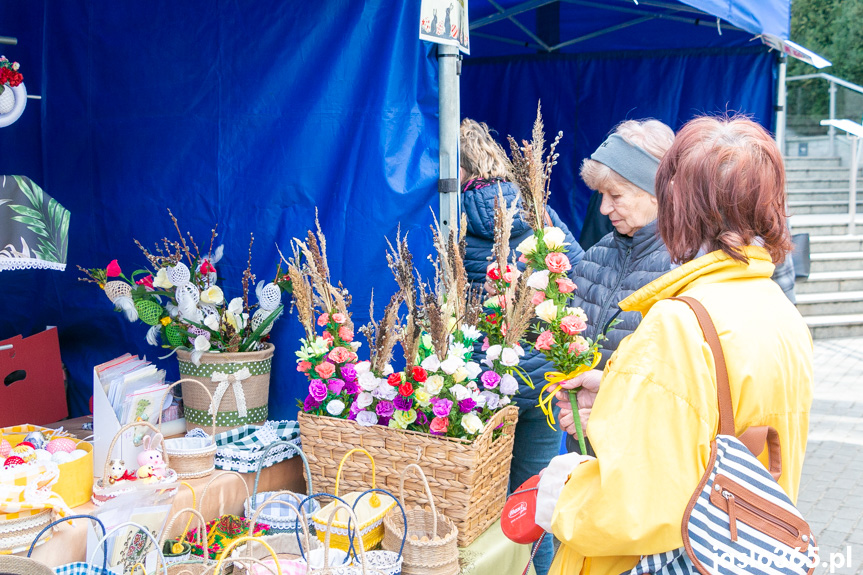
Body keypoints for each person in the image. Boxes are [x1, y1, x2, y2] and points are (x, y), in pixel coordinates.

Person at [539, 116, 814, 575]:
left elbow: (634, 506)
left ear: (677, 202)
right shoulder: (779, 310)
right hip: (744, 542)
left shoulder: (680, 321)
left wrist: (559, 497)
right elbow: (713, 430)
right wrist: (616, 400)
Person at [460, 118, 583, 575]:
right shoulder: (538, 211)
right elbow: (582, 272)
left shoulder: (449, 216)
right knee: (537, 500)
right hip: (545, 382)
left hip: (486, 389)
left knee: (482, 505)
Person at [563, 119, 677, 454]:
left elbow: (679, 386)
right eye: (601, 195)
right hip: (585, 444)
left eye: (616, 195)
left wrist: (607, 416)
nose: (603, 208)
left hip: (645, 456)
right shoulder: (596, 256)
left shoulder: (685, 268)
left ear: (656, 193)